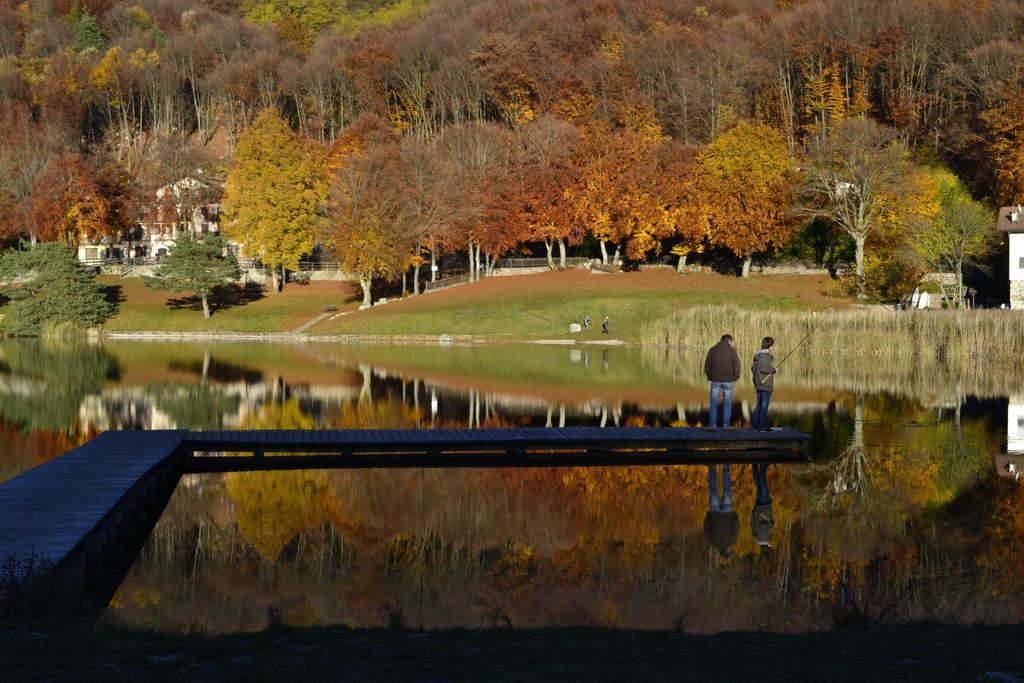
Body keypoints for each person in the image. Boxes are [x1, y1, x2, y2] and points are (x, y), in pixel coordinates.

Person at [703, 334, 740, 430]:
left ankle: (712, 425)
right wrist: (735, 377)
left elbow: (707, 365)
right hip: (728, 381)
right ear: (729, 341)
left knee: (713, 403)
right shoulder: (732, 351)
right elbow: (737, 365)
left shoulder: (713, 350)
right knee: (727, 403)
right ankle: (726, 425)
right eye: (731, 342)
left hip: (715, 380)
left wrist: (710, 376)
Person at [704, 464, 738, 558]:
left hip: (727, 513)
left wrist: (734, 515)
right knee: (713, 490)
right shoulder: (712, 542)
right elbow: (706, 526)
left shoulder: (732, 541)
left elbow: (735, 527)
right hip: (715, 513)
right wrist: (708, 515)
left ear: (727, 551)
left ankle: (726, 467)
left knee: (727, 490)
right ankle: (712, 468)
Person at [751, 336, 777, 431]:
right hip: (765, 384)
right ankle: (762, 426)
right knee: (764, 406)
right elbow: (764, 369)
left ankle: (755, 426)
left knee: (759, 405)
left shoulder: (757, 356)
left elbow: (753, 368)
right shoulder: (766, 356)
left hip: (758, 383)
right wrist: (773, 370)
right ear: (770, 346)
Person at [751, 463, 775, 552]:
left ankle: (763, 467)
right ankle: (754, 467)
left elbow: (763, 525)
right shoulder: (756, 537)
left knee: (763, 486)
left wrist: (772, 524)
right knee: (759, 486)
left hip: (764, 508)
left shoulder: (764, 537)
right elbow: (752, 524)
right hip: (757, 508)